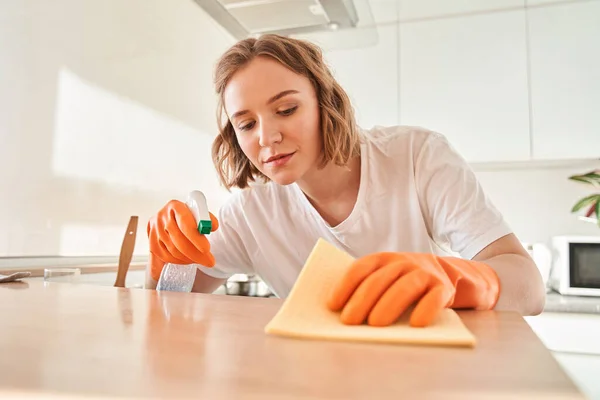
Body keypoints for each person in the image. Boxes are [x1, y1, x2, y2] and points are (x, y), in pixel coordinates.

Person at [145, 34, 546, 327]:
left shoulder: (416, 156)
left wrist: (461, 280)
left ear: (324, 102)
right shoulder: (250, 213)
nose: (267, 138)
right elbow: (168, 305)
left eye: (286, 109)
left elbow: (529, 287)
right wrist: (165, 261)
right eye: (246, 124)